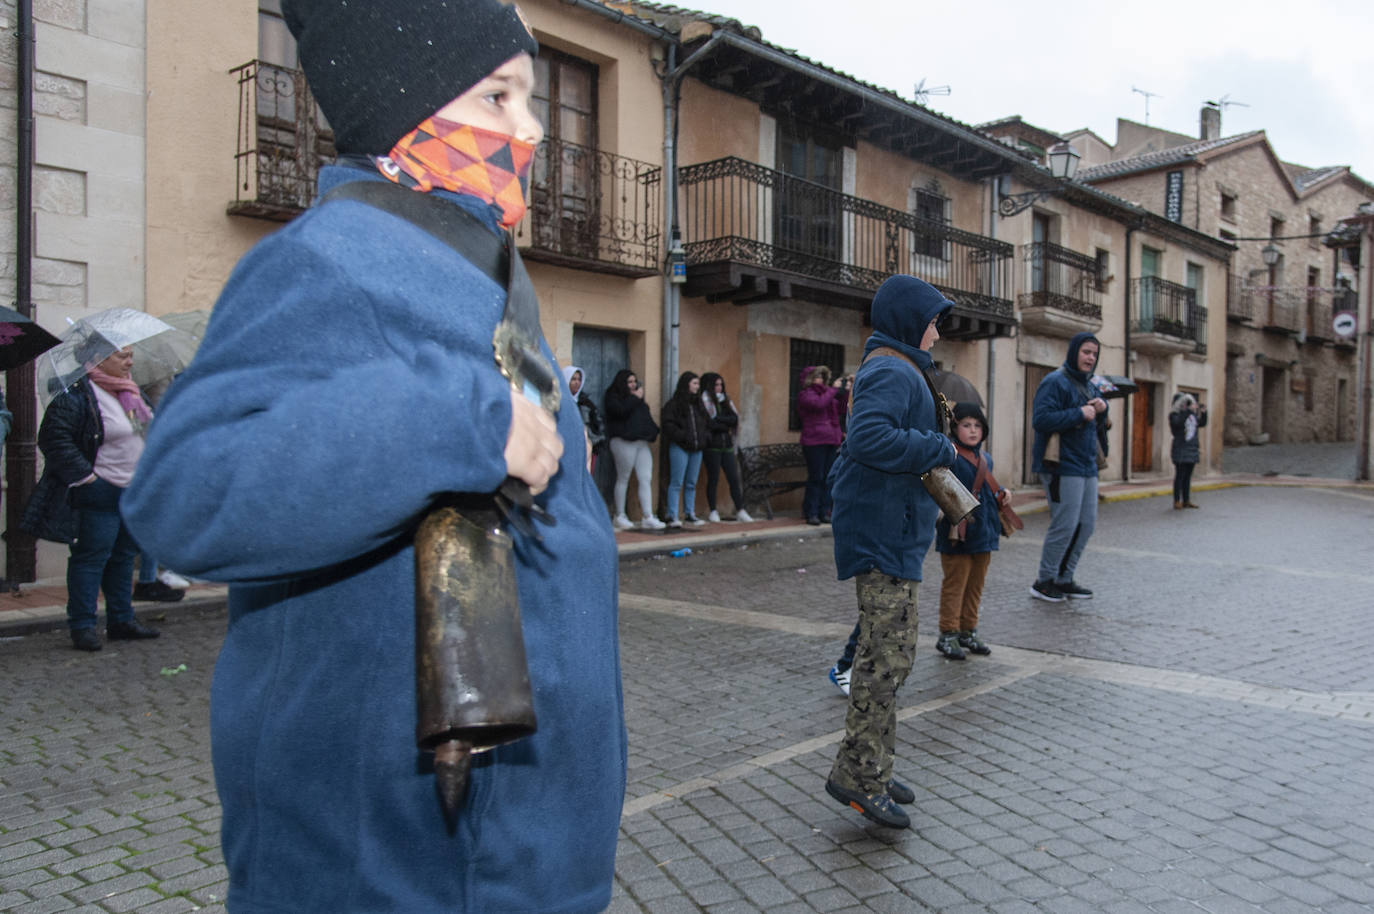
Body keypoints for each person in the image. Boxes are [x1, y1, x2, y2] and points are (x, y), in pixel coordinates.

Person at [120, 3, 626, 910]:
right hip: (399, 865)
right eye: (498, 97)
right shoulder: (332, 260)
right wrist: (463, 425)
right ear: (402, 109)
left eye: (533, 98)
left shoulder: (479, 268)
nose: (533, 128)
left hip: (517, 851)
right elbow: (182, 492)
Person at [824, 274, 956, 830]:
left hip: (892, 532)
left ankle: (873, 764)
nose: (937, 335)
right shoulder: (889, 368)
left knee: (891, 659)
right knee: (884, 661)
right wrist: (939, 445)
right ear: (908, 320)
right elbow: (867, 438)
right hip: (882, 535)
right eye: (932, 322)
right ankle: (859, 775)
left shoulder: (899, 367)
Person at [23, 343, 162, 651]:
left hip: (133, 489)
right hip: (99, 490)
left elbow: (145, 432)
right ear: (96, 359)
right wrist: (87, 478)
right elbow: (54, 439)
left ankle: (121, 620)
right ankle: (83, 625)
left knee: (124, 557)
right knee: (92, 557)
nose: (130, 362)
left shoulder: (130, 391)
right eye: (122, 355)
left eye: (131, 355)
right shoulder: (75, 394)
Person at [1029, 332, 1108, 603]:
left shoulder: (1090, 385)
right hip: (1061, 466)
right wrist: (1079, 413)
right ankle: (1044, 580)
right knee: (1064, 525)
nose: (1090, 358)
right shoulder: (1055, 381)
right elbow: (1040, 419)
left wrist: (1102, 408)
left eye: (1095, 354)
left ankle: (1064, 578)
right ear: (1074, 351)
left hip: (1087, 465)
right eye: (1086, 352)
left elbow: (1097, 422)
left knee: (1086, 525)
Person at [932, 401, 1006, 660]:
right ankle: (948, 632)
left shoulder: (986, 459)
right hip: (957, 533)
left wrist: (1002, 494)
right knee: (955, 584)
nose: (973, 430)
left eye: (977, 425)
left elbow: (986, 492)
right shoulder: (948, 455)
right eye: (966, 425)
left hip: (984, 532)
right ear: (954, 427)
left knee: (975, 585)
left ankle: (968, 629)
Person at [604, 368, 666, 530]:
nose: (632, 385)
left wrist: (653, 432)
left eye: (634, 382)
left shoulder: (638, 400)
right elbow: (620, 411)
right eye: (629, 382)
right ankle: (620, 515)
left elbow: (645, 418)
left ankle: (647, 515)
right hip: (623, 441)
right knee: (623, 477)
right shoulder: (613, 396)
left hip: (641, 442)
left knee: (645, 477)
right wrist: (634, 398)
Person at [797, 365, 849, 525]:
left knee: (828, 478)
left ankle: (824, 511)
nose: (820, 379)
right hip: (814, 441)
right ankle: (811, 512)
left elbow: (840, 408)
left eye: (821, 376)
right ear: (810, 379)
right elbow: (818, 404)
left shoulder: (828, 394)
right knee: (816, 477)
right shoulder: (805, 395)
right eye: (816, 376)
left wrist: (846, 391)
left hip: (831, 439)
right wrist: (833, 390)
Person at [698, 372, 752, 523]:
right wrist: (723, 423)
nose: (719, 388)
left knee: (734, 478)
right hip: (712, 446)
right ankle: (713, 510)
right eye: (716, 385)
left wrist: (720, 420)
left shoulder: (726, 400)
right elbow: (710, 423)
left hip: (727, 445)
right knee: (713, 478)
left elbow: (734, 419)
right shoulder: (704, 401)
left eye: (721, 384)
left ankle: (740, 509)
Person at [660, 371, 710, 527]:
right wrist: (682, 436)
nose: (697, 387)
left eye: (698, 384)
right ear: (686, 384)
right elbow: (668, 425)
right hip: (680, 447)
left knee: (691, 483)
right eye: (694, 383)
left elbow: (706, 423)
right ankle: (673, 515)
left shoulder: (699, 404)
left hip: (697, 448)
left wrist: (704, 438)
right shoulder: (674, 404)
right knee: (676, 482)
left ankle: (690, 513)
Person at [1169, 392, 1207, 510]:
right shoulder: (1174, 415)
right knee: (1180, 476)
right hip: (1180, 448)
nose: (1188, 405)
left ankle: (1186, 500)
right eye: (1185, 403)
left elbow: (1201, 423)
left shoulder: (1191, 415)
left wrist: (1204, 413)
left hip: (1192, 448)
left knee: (1188, 477)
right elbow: (1178, 424)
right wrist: (1189, 411)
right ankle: (1176, 500)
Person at [563, 364, 606, 462]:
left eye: (579, 379)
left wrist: (596, 442)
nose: (577, 382)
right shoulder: (560, 402)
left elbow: (596, 424)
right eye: (573, 379)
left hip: (587, 448)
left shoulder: (586, 403)